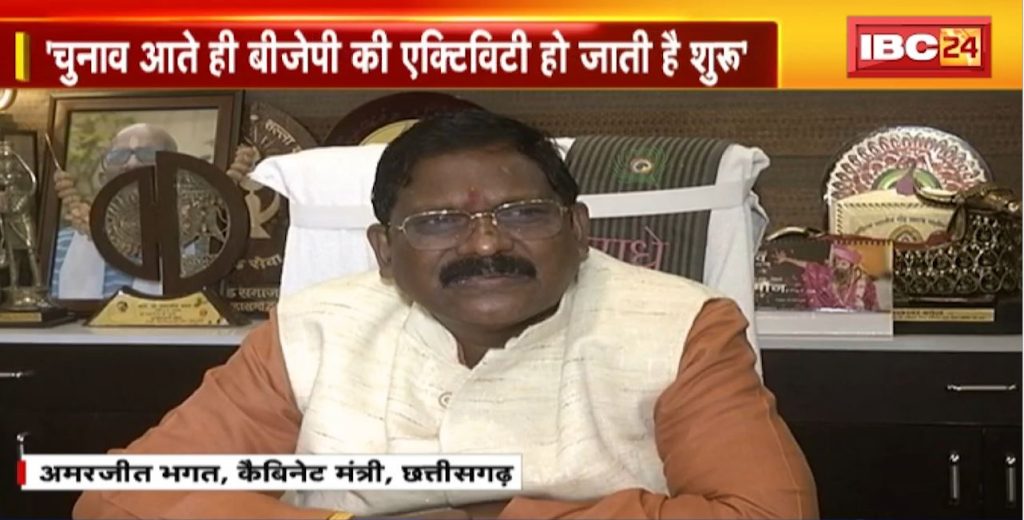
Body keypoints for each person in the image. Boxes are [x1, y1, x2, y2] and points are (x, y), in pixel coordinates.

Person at [74, 111, 817, 519]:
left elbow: (766, 514)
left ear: (578, 229)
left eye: (522, 214)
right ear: (384, 251)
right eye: (437, 223)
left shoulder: (682, 327)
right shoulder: (314, 328)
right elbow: (118, 499)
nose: (486, 244)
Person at [51, 123, 177, 299]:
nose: (132, 164)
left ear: (175, 174)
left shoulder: (199, 247)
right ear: (103, 179)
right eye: (119, 156)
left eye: (148, 154)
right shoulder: (60, 247)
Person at [772, 243, 879, 311]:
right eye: (838, 263)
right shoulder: (828, 274)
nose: (840, 267)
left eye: (844, 264)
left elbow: (872, 303)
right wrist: (786, 259)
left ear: (851, 266)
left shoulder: (861, 281)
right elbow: (808, 266)